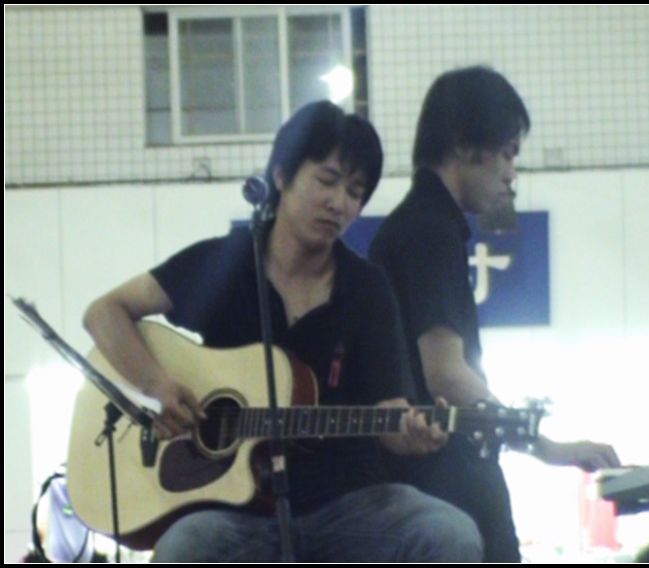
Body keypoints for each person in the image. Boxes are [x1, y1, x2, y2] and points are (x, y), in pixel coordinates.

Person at [83, 100, 483, 562]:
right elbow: (104, 313)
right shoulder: (225, 264)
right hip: (234, 514)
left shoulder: (368, 289)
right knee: (183, 548)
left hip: (347, 506)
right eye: (327, 180)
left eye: (355, 192)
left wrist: (411, 433)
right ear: (280, 175)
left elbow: (389, 409)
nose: (339, 203)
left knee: (449, 534)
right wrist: (159, 385)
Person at [369, 66, 621, 562]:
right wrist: (546, 446)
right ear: (465, 145)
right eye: (506, 153)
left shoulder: (416, 226)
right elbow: (447, 374)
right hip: (446, 478)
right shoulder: (428, 231)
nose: (511, 173)